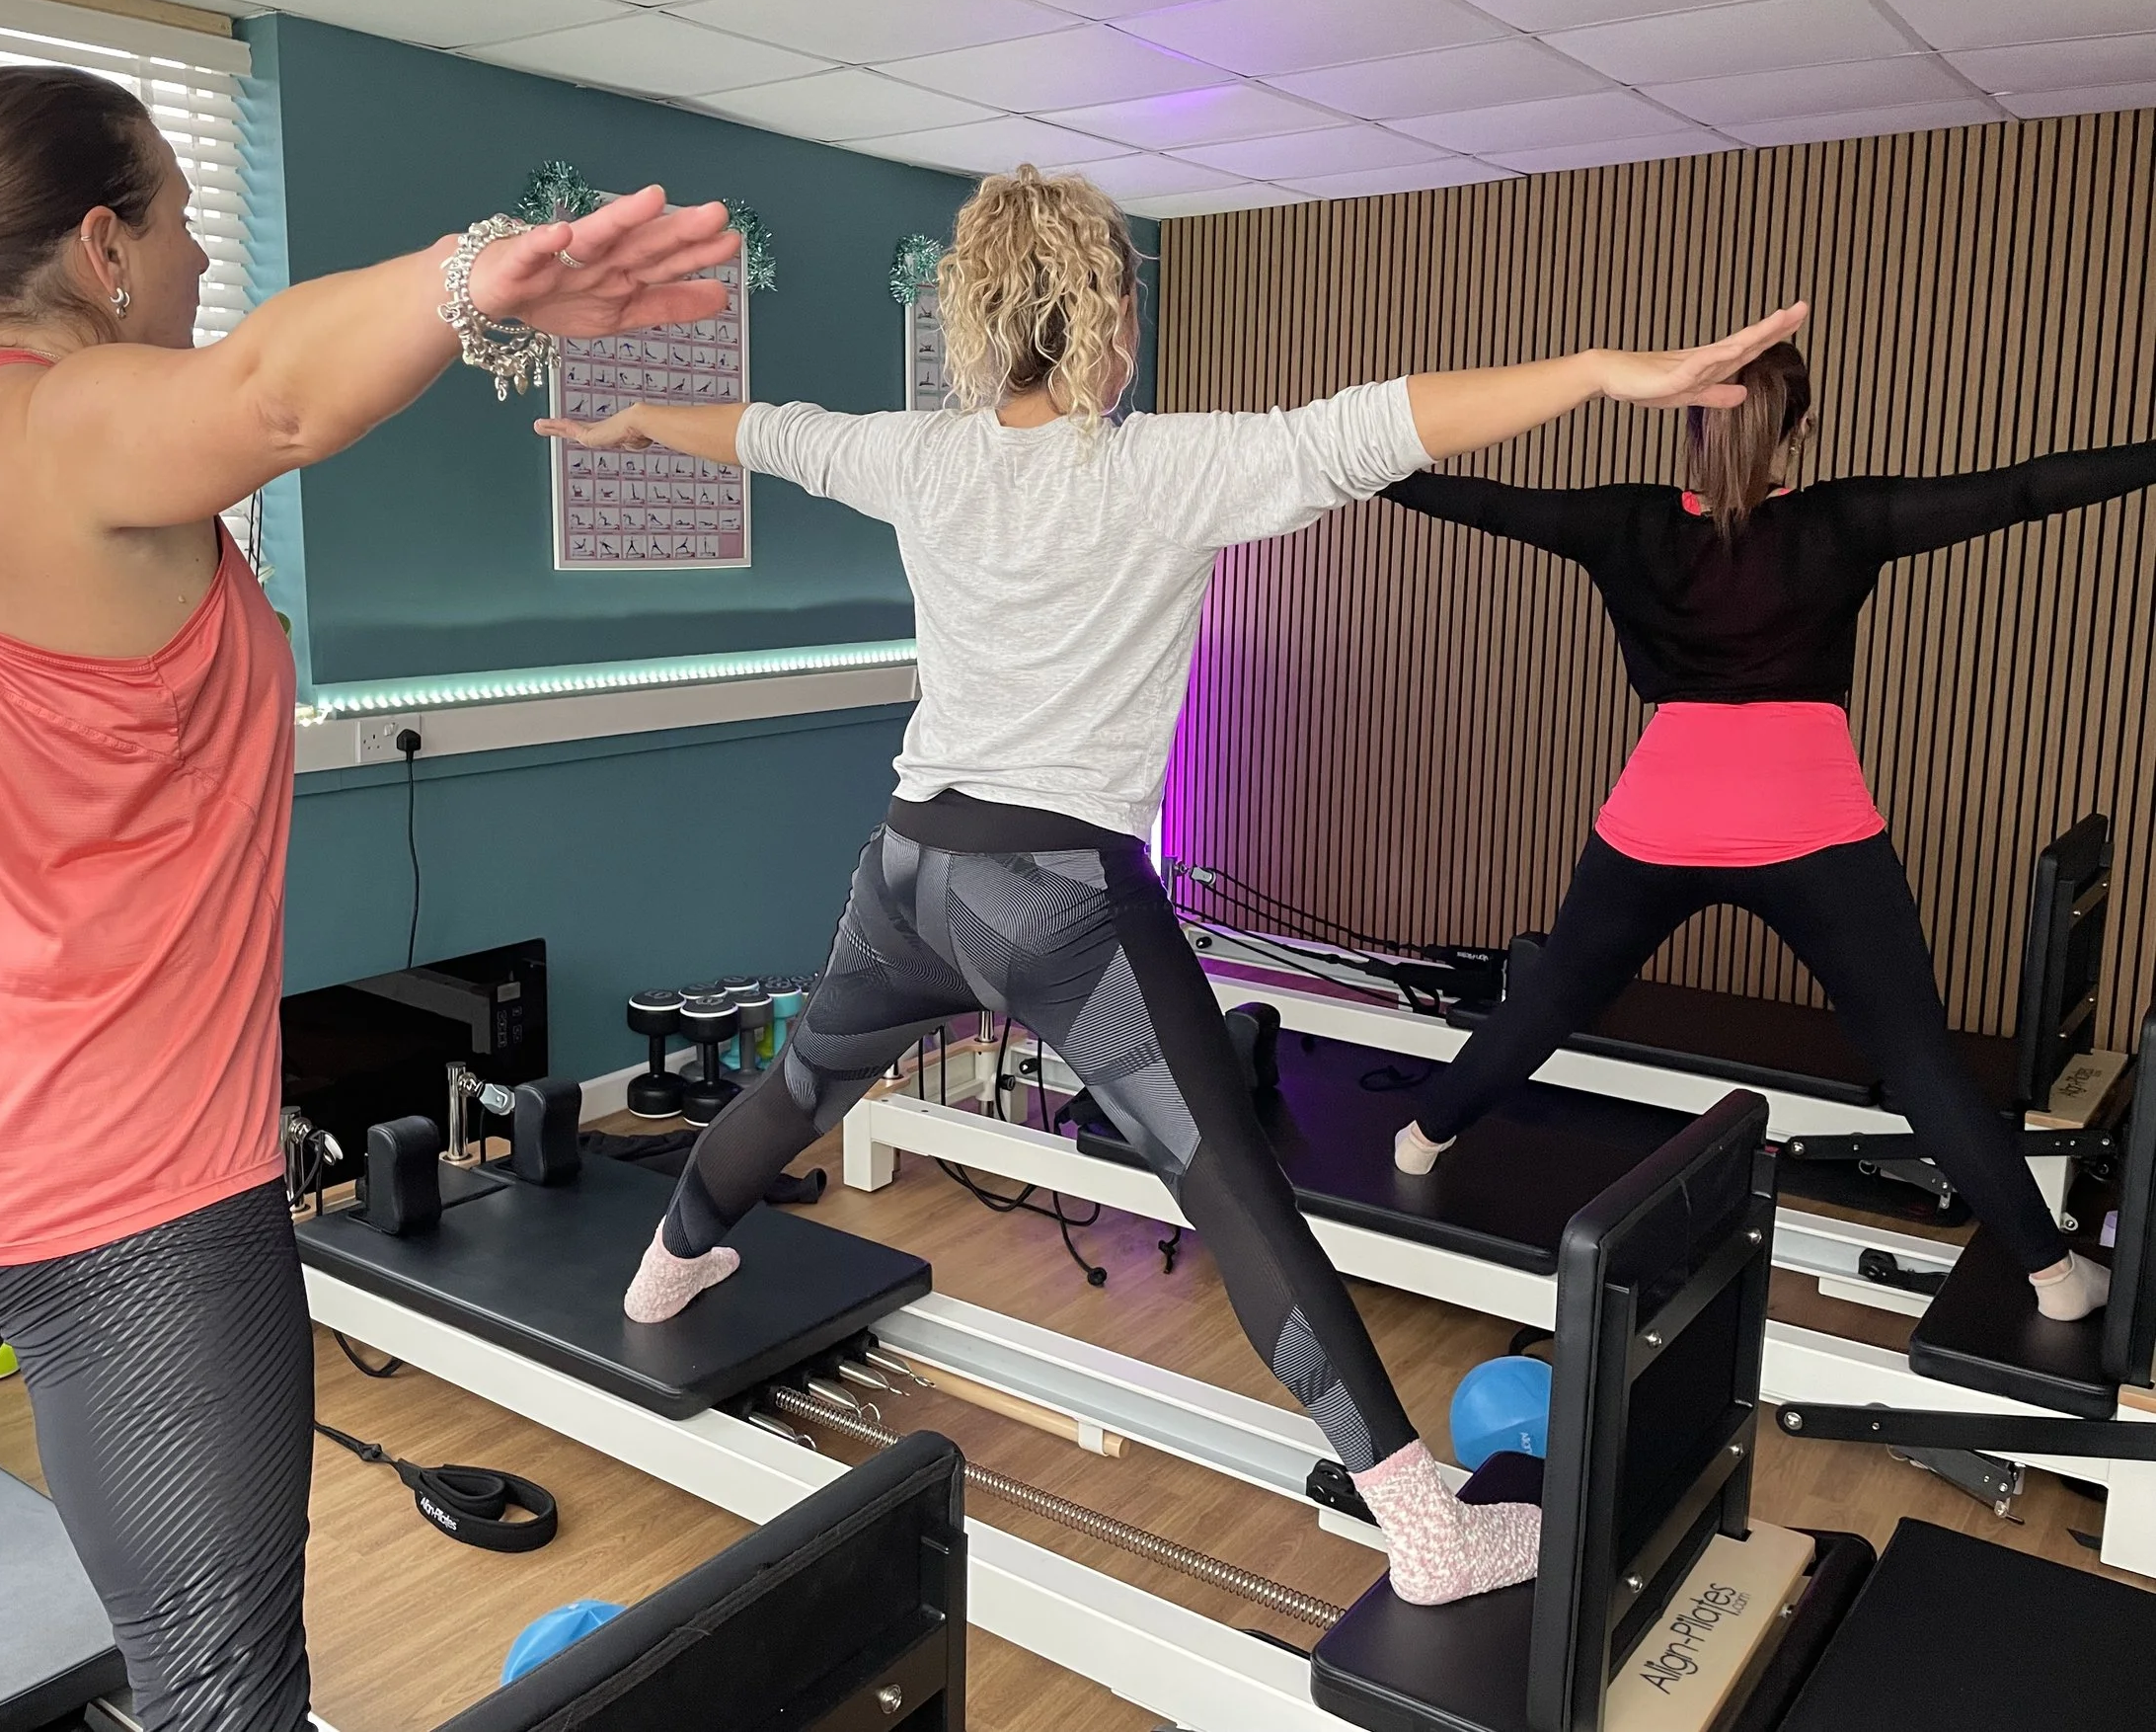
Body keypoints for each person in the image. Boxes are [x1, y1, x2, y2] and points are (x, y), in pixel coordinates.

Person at [538, 163, 1806, 1607]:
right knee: (1231, 1188)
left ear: (976, 315)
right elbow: (1379, 422)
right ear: (1109, 318)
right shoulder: (1159, 466)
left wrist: (634, 418)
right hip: (1060, 901)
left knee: (803, 1087)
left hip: (909, 873)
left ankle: (666, 1268)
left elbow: (764, 430)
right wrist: (1596, 371)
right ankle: (1426, 1528)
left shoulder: (918, 454)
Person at [0, 63, 737, 1732]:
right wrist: (476, 275)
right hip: (129, 1203)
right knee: (220, 1682)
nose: (196, 262)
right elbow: (269, 396)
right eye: (181, 220)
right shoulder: (68, 428)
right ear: (101, 245)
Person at [1383, 342, 2152, 1322]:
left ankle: (1420, 1140)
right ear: (1802, 428)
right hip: (1810, 826)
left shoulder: (1625, 522)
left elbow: (1479, 502)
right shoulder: (1843, 521)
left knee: (1550, 1000)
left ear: (1686, 417)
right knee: (1916, 1055)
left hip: (1658, 821)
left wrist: (1336, 460)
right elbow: (2025, 490)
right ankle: (2054, 1279)